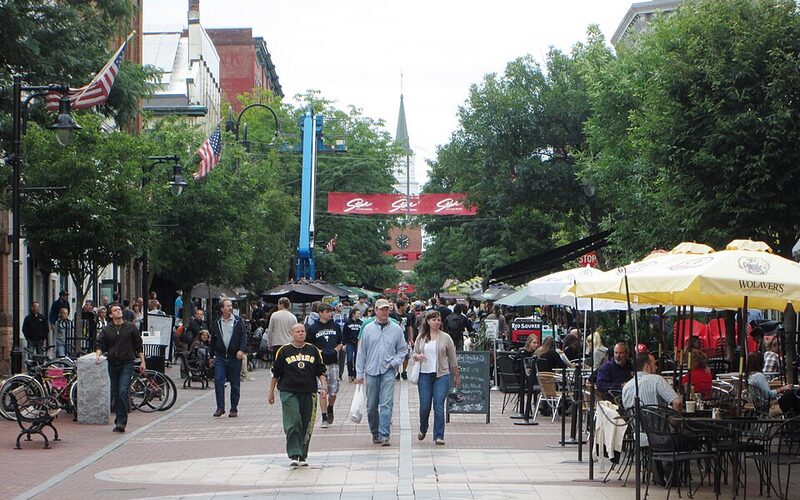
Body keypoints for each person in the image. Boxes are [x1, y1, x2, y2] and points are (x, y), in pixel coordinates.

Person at [269, 323, 328, 467]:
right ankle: (294, 453)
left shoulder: (313, 350)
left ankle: (302, 454)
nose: (301, 333)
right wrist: (271, 392)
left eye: (303, 331)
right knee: (294, 421)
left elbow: (320, 371)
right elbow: (276, 373)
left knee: (306, 423)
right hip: (288, 391)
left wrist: (324, 387)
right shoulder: (284, 351)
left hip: (308, 391)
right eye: (297, 331)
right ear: (292, 334)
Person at [355, 298, 408, 446]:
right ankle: (375, 432)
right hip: (371, 370)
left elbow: (403, 349)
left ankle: (385, 434)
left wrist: (394, 362)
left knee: (386, 403)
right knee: (372, 405)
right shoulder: (367, 328)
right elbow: (361, 352)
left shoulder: (396, 328)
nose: (385, 312)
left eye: (387, 309)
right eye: (382, 309)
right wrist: (359, 373)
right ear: (376, 311)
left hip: (388, 370)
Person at [95, 304, 145, 433]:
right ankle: (119, 419)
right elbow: (100, 344)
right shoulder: (107, 329)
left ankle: (121, 422)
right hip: (112, 363)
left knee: (123, 390)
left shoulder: (131, 328)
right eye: (115, 310)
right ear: (111, 315)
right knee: (115, 393)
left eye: (119, 309)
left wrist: (142, 361)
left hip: (127, 362)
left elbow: (138, 345)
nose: (118, 311)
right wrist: (98, 355)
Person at [412, 310, 459, 445]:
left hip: (441, 375)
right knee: (425, 406)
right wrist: (417, 356)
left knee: (438, 405)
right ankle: (423, 428)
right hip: (424, 375)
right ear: (428, 321)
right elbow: (414, 353)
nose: (437, 322)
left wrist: (456, 375)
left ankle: (439, 435)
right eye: (434, 320)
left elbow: (453, 358)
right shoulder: (421, 337)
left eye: (438, 320)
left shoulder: (446, 337)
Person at [306, 303, 343, 428]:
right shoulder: (313, 328)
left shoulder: (335, 326)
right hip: (320, 364)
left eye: (330, 311)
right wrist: (319, 352)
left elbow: (340, 342)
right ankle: (324, 417)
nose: (329, 314)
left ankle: (330, 407)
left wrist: (335, 350)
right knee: (322, 390)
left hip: (333, 362)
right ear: (320, 313)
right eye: (327, 312)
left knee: (333, 391)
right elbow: (310, 345)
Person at [210, 299, 248, 418]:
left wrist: (241, 350)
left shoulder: (238, 321)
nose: (230, 308)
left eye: (231, 306)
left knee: (235, 383)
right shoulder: (217, 322)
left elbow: (243, 337)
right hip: (221, 356)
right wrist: (211, 356)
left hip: (234, 356)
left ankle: (233, 408)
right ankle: (220, 407)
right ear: (222, 309)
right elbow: (213, 340)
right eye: (227, 306)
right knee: (218, 380)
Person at [390, 299, 416, 380]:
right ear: (401, 306)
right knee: (395, 356)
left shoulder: (408, 316)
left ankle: (404, 371)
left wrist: (411, 338)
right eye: (405, 305)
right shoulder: (392, 316)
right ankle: (397, 372)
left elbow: (410, 327)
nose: (406, 307)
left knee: (406, 356)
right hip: (394, 339)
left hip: (405, 338)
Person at [343, 308, 362, 381]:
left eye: (359, 314)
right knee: (349, 359)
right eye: (357, 314)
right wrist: (344, 343)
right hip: (349, 343)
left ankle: (355, 374)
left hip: (357, 343)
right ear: (353, 314)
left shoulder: (361, 323)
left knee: (356, 359)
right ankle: (350, 374)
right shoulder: (347, 323)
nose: (359, 315)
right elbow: (344, 333)